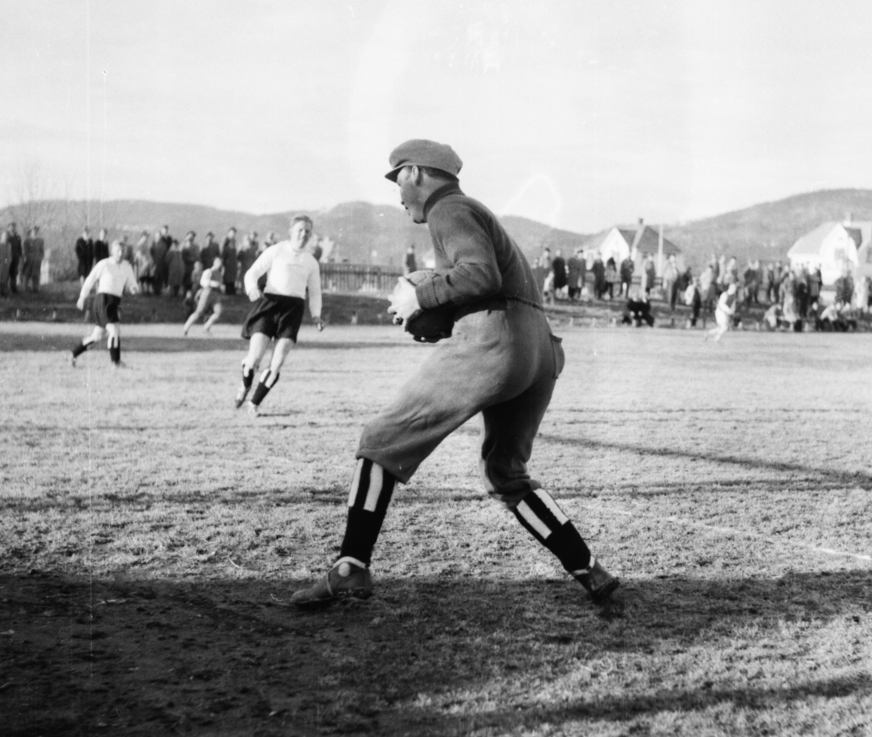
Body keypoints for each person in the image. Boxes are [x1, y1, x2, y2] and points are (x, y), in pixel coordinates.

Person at [289, 139, 619, 611]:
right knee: (505, 472)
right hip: (539, 349)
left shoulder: (449, 209)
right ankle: (588, 568)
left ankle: (350, 567)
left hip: (497, 342)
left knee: (380, 439)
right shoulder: (475, 211)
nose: (397, 194)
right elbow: (487, 279)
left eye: (397, 178)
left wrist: (418, 299)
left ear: (418, 172)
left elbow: (479, 275)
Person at [235, 214, 324, 415]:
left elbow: (316, 292)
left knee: (277, 362)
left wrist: (316, 315)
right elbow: (252, 273)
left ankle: (254, 404)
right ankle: (245, 386)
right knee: (253, 359)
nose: (303, 234)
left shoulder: (311, 262)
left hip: (293, 310)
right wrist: (252, 289)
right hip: (269, 304)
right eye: (300, 230)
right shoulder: (276, 251)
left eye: (307, 231)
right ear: (291, 231)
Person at [71, 238, 138, 366]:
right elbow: (90, 279)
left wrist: (133, 288)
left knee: (97, 337)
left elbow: (132, 282)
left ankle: (74, 354)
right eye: (118, 250)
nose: (120, 253)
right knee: (114, 330)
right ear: (112, 251)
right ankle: (116, 362)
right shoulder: (104, 264)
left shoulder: (126, 266)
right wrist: (82, 297)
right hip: (103, 301)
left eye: (122, 251)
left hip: (114, 302)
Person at [183, 254, 225, 336]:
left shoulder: (219, 274)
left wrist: (221, 287)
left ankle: (206, 327)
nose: (220, 264)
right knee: (199, 312)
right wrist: (214, 283)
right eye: (218, 261)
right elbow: (203, 282)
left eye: (221, 262)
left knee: (218, 312)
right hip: (207, 292)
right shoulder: (209, 271)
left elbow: (220, 284)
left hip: (216, 294)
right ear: (214, 262)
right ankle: (186, 327)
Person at [22, 226, 44, 291]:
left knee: (36, 274)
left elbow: (42, 250)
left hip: (37, 260)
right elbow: (25, 250)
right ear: (30, 232)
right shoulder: (26, 240)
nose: (34, 232)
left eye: (36, 231)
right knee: (27, 273)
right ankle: (26, 287)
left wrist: (40, 257)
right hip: (29, 259)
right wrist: (27, 257)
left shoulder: (40, 240)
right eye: (33, 231)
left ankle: (35, 288)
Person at [221, 228, 239, 295]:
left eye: (234, 233)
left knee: (232, 277)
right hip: (227, 264)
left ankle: (232, 290)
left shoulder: (234, 241)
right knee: (228, 277)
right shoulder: (225, 239)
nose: (233, 234)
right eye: (232, 232)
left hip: (233, 263)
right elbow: (223, 253)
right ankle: (228, 290)